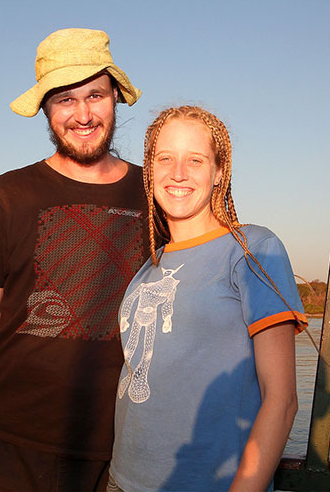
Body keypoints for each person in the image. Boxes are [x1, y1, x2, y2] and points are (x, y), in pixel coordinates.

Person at [0, 28, 151, 492]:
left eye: (95, 95)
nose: (83, 114)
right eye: (65, 100)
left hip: (118, 457)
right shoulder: (5, 196)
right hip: (3, 449)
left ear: (116, 97)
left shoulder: (156, 196)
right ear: (46, 109)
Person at [109, 106, 307, 491]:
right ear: (149, 170)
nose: (178, 172)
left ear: (219, 172)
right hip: (122, 480)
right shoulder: (149, 265)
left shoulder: (253, 250)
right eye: (164, 158)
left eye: (195, 160)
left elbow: (281, 401)